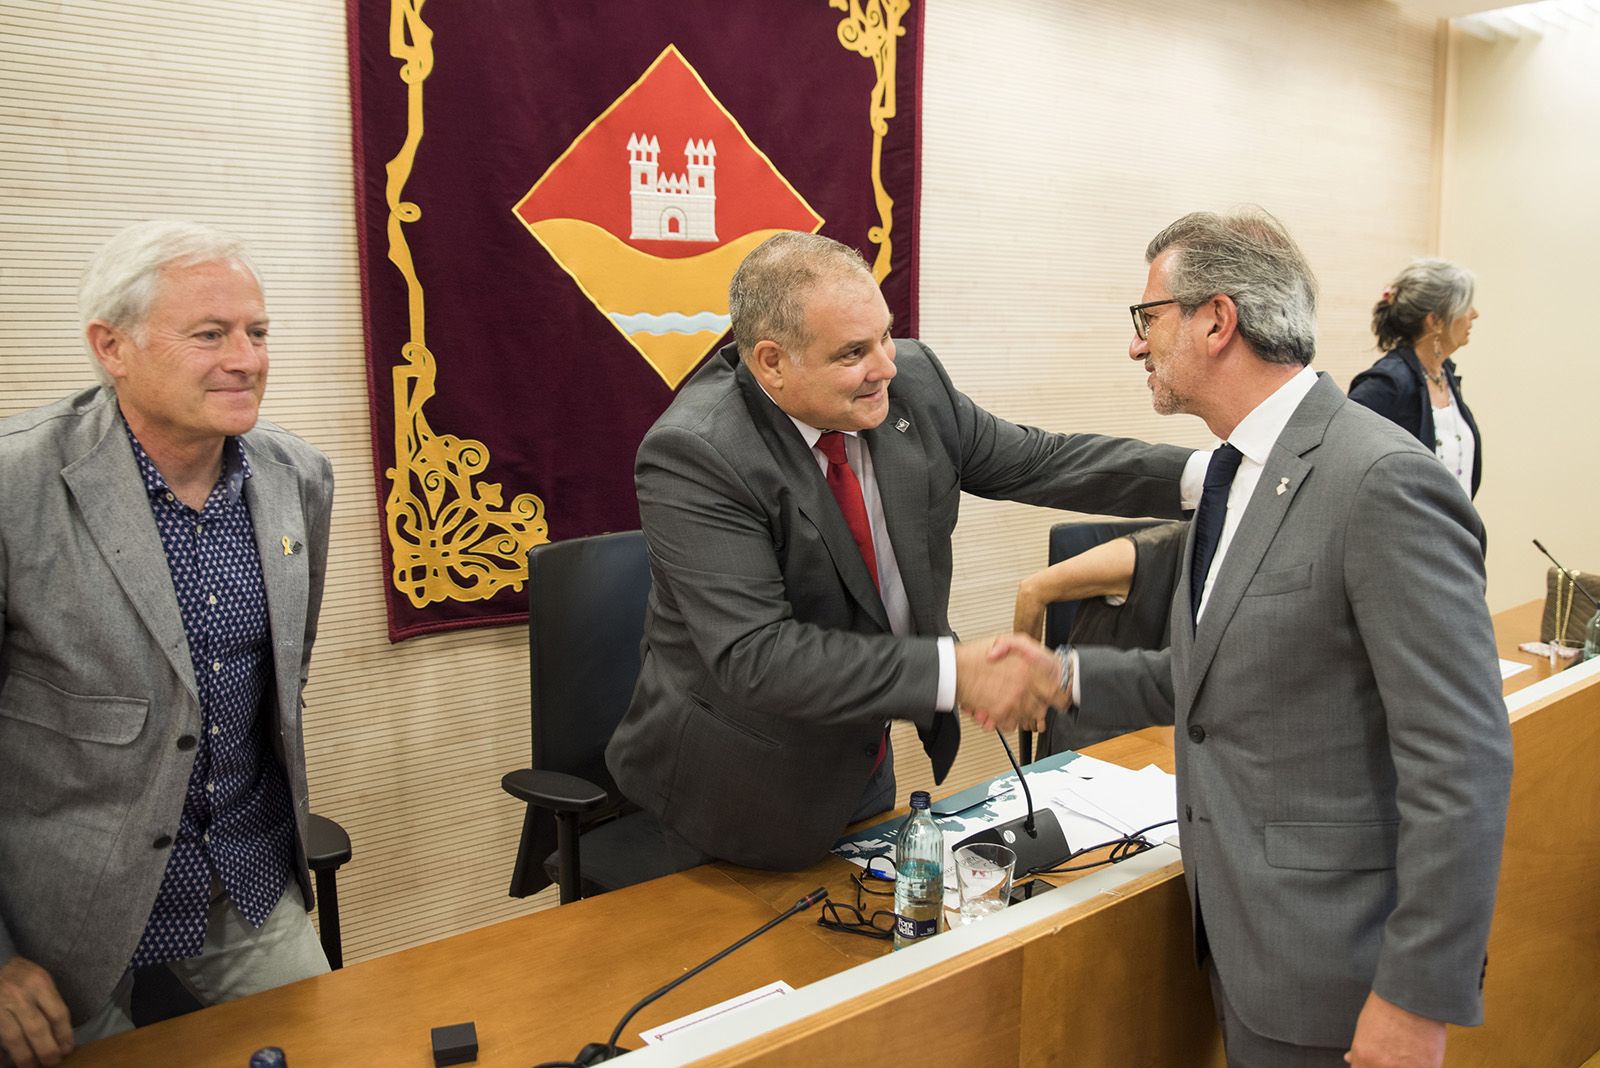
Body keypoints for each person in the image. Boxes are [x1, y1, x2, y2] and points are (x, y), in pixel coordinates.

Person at [987, 210, 1512, 1067]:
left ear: (1217, 320)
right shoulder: (1235, 473)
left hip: (1337, 974)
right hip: (1241, 941)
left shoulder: (1379, 481)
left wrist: (1417, 995)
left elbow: (1463, 758)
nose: (1136, 346)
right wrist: (1063, 675)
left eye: (1147, 318)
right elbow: (1218, 676)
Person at [605, 231, 1206, 873]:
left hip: (859, 760)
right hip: (735, 790)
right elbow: (759, 657)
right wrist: (956, 672)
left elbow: (1041, 460)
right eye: (853, 353)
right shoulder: (697, 453)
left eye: (885, 336)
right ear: (772, 362)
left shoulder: (910, 383)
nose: (886, 365)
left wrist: (1213, 477)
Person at [0, 221, 334, 1066]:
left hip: (245, 876)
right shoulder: (16, 490)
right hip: (57, 912)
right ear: (111, 347)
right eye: (210, 335)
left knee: (342, 1045)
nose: (247, 358)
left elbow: (280, 689)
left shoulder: (299, 478)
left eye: (257, 332)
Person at [1012, 519, 1186, 754]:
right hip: (1094, 725)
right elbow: (1032, 591)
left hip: (1161, 723)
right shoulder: (1144, 552)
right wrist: (1028, 690)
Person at [1349, 259, 1482, 498]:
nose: (1474, 314)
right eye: (1466, 306)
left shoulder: (1444, 374)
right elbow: (1343, 457)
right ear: (1436, 321)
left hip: (1456, 534)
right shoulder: (1388, 383)